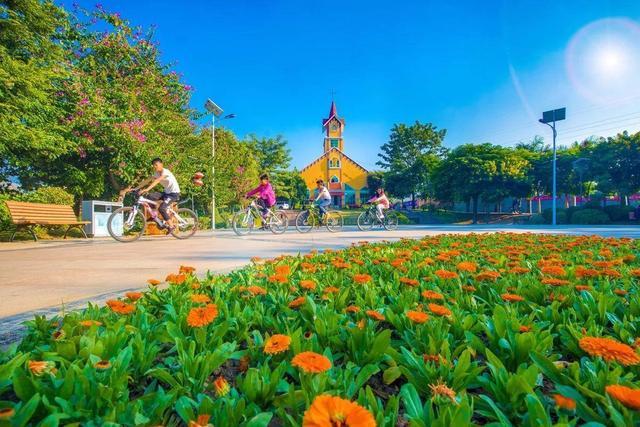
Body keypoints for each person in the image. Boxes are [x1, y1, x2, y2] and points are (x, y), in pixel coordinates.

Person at [134, 158, 181, 231]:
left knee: (162, 208)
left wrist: (147, 189)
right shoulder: (156, 173)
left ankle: (171, 226)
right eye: (153, 165)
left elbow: (157, 180)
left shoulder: (166, 172)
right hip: (166, 193)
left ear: (161, 164)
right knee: (149, 196)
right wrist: (135, 188)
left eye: (156, 165)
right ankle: (155, 215)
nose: (155, 167)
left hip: (173, 194)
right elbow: (147, 181)